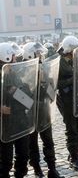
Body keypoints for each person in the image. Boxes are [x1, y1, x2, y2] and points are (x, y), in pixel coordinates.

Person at [22, 42, 64, 178]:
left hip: (44, 111)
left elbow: (52, 92)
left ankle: (52, 169)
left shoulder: (44, 68)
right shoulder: (21, 71)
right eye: (38, 53)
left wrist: (45, 82)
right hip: (30, 113)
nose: (41, 56)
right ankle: (36, 168)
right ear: (30, 54)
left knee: (48, 141)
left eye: (40, 53)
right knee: (32, 143)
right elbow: (18, 94)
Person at [0, 42, 32, 178]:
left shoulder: (14, 73)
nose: (16, 59)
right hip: (4, 124)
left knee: (23, 155)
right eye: (13, 56)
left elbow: (27, 98)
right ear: (6, 57)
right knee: (5, 160)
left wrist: (18, 93)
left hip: (19, 121)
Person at [56, 36, 78, 171]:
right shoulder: (58, 62)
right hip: (66, 99)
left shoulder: (75, 59)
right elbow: (55, 83)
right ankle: (74, 157)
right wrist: (73, 79)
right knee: (72, 129)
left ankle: (74, 152)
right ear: (69, 49)